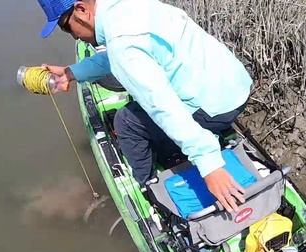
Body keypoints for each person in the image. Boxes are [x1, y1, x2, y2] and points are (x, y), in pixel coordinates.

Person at [37, 0, 253, 213]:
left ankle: (149, 190)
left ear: (81, 10)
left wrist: (210, 165)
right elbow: (117, 53)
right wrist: (71, 73)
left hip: (214, 109)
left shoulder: (122, 44)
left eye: (67, 28)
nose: (75, 36)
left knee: (126, 122)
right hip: (235, 87)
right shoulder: (125, 7)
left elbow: (163, 106)